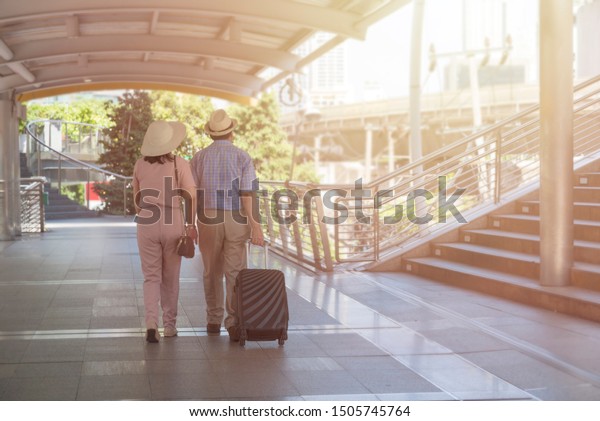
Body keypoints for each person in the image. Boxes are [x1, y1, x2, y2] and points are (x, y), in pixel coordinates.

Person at [190, 109, 264, 341]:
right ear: (231, 132)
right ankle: (233, 323)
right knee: (235, 272)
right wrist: (256, 225)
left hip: (208, 218)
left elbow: (192, 194)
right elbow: (247, 194)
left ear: (211, 134)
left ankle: (213, 320)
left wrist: (189, 223)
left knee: (212, 271)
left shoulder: (199, 158)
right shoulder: (243, 157)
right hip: (235, 218)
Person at [133, 121, 197, 343]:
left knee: (151, 277)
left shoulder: (140, 164)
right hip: (172, 220)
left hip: (147, 221)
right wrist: (191, 224)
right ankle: (169, 326)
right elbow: (190, 195)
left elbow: (137, 198)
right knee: (170, 278)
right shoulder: (179, 163)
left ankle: (151, 324)